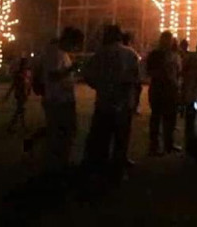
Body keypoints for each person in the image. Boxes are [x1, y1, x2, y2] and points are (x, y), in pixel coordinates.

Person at [83, 24, 141, 181]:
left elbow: (87, 75)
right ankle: (118, 170)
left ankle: (99, 169)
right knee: (121, 140)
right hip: (123, 103)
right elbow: (136, 79)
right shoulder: (130, 54)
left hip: (104, 102)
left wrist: (99, 86)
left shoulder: (100, 54)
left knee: (102, 138)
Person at [30, 27, 83, 174]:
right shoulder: (55, 53)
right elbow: (53, 76)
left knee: (61, 132)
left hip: (60, 98)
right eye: (75, 44)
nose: (75, 48)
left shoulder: (59, 52)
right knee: (62, 133)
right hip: (58, 100)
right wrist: (72, 69)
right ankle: (56, 165)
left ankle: (57, 162)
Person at [146, 31, 181, 155]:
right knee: (157, 117)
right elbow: (149, 71)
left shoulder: (174, 55)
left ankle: (168, 144)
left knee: (169, 118)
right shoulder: (156, 55)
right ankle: (155, 145)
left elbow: (178, 72)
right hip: (160, 88)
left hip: (169, 88)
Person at [4, 54, 32, 133]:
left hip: (22, 93)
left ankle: (22, 126)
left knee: (21, 110)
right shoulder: (19, 74)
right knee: (19, 110)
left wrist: (28, 91)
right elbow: (14, 85)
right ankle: (11, 126)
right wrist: (8, 94)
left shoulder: (24, 74)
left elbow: (26, 84)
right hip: (20, 94)